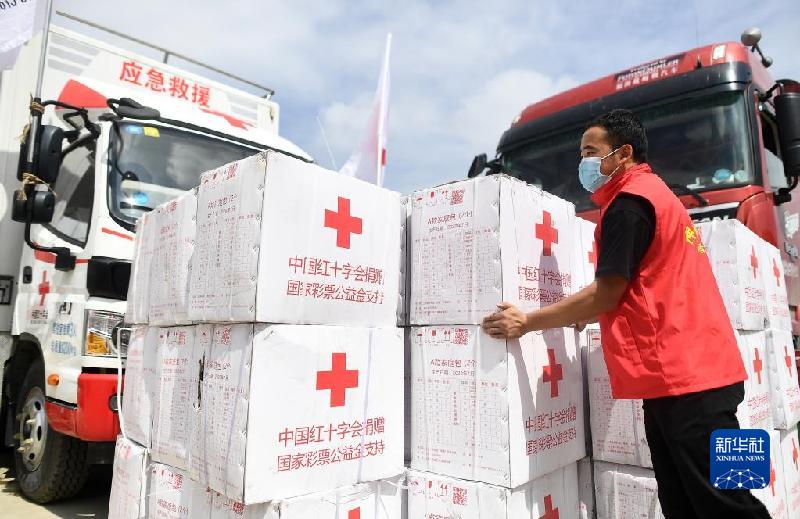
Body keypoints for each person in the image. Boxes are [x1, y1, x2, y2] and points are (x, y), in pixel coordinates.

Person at [482, 109, 770, 519]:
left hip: (686, 384)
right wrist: (588, 312)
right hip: (706, 376)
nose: (583, 162)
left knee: (729, 504)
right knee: (686, 501)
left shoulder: (628, 205)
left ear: (622, 153)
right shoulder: (659, 195)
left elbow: (608, 292)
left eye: (590, 152)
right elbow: (648, 283)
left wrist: (527, 322)